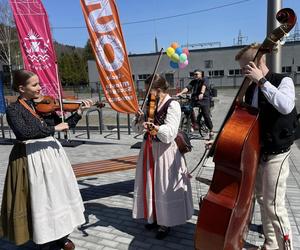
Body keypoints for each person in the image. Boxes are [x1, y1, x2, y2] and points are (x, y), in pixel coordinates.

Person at [0, 69, 92, 250]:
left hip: (52, 156)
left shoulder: (45, 104)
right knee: (40, 199)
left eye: (39, 83)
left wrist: (79, 112)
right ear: (21, 88)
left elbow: (63, 125)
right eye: (34, 85)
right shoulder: (14, 110)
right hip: (29, 158)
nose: (39, 88)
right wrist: (54, 130)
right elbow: (24, 133)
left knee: (58, 196)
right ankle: (44, 239)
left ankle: (61, 235)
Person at [235, 43, 299, 250]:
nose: (243, 72)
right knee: (262, 199)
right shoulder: (251, 89)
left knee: (274, 205)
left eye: (246, 67)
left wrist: (261, 81)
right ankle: (270, 243)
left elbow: (286, 105)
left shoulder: (282, 80)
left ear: (257, 63)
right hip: (258, 151)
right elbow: (248, 121)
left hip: (277, 152)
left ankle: (285, 247)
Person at [132, 74, 194, 240]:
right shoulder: (150, 104)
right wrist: (139, 120)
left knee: (163, 185)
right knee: (151, 184)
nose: (146, 93)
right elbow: (137, 131)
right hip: (149, 149)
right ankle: (153, 217)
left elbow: (170, 134)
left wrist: (153, 128)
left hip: (164, 152)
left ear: (158, 90)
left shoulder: (172, 104)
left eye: (148, 90)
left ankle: (165, 223)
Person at [176, 69, 214, 138]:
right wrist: (181, 93)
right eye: (194, 74)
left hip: (204, 100)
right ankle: (194, 124)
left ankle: (211, 130)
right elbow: (188, 88)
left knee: (206, 115)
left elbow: (204, 86)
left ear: (201, 74)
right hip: (195, 99)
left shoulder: (205, 79)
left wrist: (202, 93)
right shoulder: (193, 81)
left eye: (196, 74)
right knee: (188, 109)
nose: (195, 75)